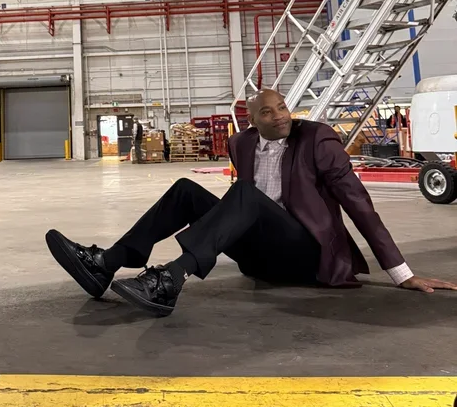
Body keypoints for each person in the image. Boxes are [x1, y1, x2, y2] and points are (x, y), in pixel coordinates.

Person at [46, 90, 457, 317]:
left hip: (306, 253)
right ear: (252, 120)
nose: (280, 116)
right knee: (187, 189)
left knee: (244, 195)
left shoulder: (318, 139)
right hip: (261, 255)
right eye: (268, 112)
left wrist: (401, 272)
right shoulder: (240, 144)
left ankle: (171, 279)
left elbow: (359, 203)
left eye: (283, 108)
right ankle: (106, 264)